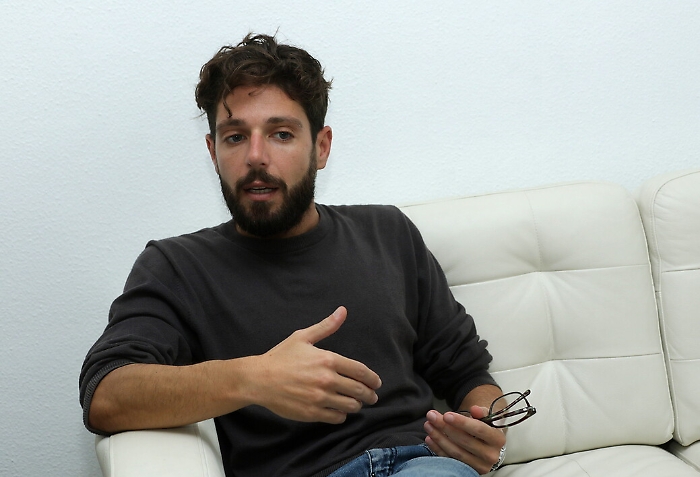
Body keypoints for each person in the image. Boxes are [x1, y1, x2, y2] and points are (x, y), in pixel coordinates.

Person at [79, 33, 507, 477]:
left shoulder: (389, 232)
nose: (256, 156)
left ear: (320, 147)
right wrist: (254, 378)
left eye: (281, 134)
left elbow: (468, 373)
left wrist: (485, 433)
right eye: (235, 137)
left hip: (421, 466)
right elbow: (105, 395)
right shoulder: (177, 266)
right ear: (213, 152)